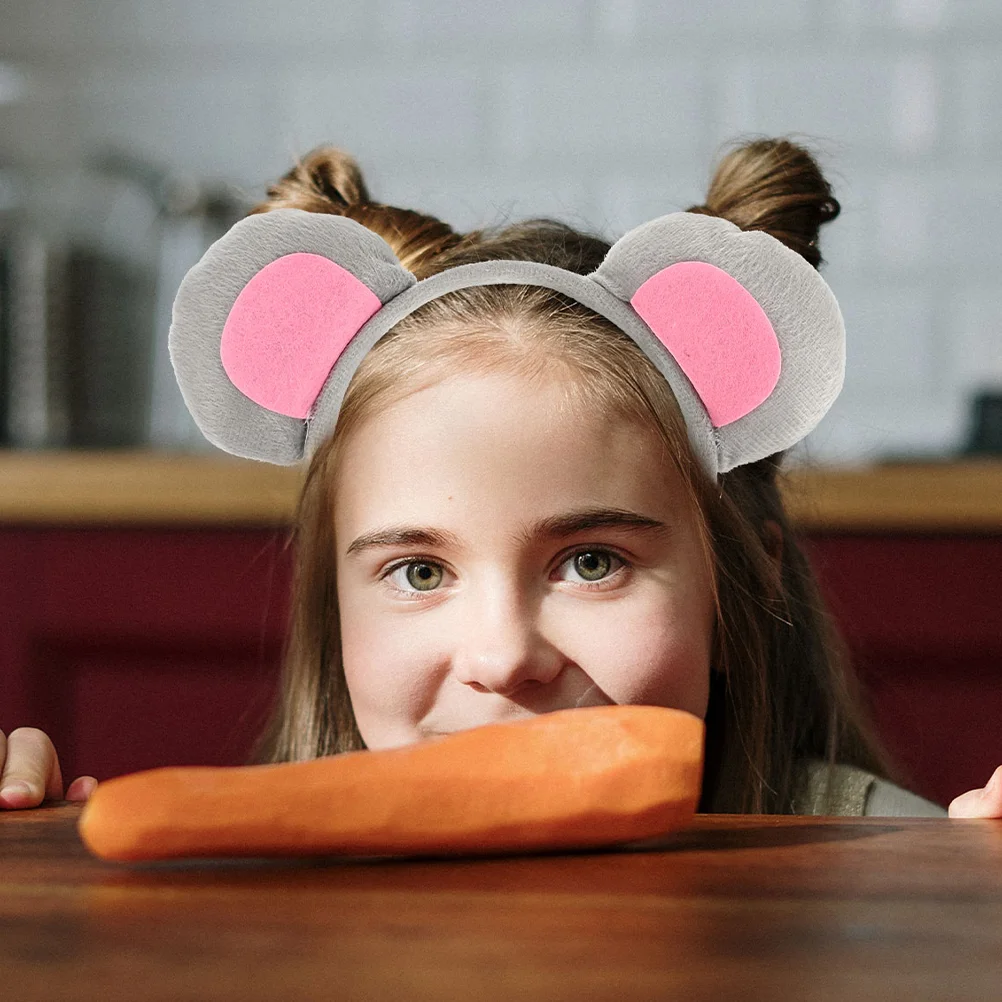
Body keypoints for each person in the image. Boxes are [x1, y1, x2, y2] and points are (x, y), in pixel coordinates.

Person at [2, 137, 999, 820]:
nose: (503, 659)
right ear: (332, 607)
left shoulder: (873, 865)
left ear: (745, 580)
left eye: (593, 560)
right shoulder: (242, 900)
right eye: (420, 573)